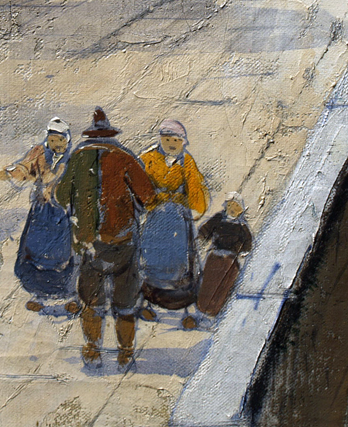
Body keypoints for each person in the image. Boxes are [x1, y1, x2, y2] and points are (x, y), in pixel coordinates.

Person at [56, 108, 156, 368]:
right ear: (110, 134)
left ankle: (92, 349)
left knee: (92, 299)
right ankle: (125, 352)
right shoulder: (125, 157)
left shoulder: (77, 158)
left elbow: (61, 196)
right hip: (123, 240)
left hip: (89, 242)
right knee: (125, 299)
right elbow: (148, 196)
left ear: (90, 135)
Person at [0, 117, 78, 313]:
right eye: (53, 139)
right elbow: (25, 168)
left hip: (64, 214)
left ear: (67, 140)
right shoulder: (39, 153)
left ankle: (70, 295)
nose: (57, 144)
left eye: (61, 140)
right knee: (35, 252)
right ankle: (39, 294)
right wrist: (10, 173)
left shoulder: (74, 159)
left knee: (64, 254)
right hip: (42, 212)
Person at [138, 119, 209, 329]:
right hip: (155, 220)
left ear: (183, 142)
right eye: (167, 139)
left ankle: (186, 309)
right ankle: (149, 302)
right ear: (160, 139)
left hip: (178, 221)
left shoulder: (187, 162)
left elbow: (196, 188)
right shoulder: (148, 159)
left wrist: (191, 206)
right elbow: (138, 184)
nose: (171, 144)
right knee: (151, 258)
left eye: (176, 140)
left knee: (182, 262)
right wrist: (150, 200)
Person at [196, 192, 253, 318]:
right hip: (215, 257)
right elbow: (205, 230)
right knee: (209, 282)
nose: (233, 209)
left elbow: (248, 244)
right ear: (226, 205)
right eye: (231, 205)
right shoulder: (218, 219)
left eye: (237, 207)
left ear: (241, 211)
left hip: (230, 261)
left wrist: (244, 252)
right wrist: (200, 237)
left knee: (223, 286)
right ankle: (202, 307)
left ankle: (214, 311)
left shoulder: (242, 227)